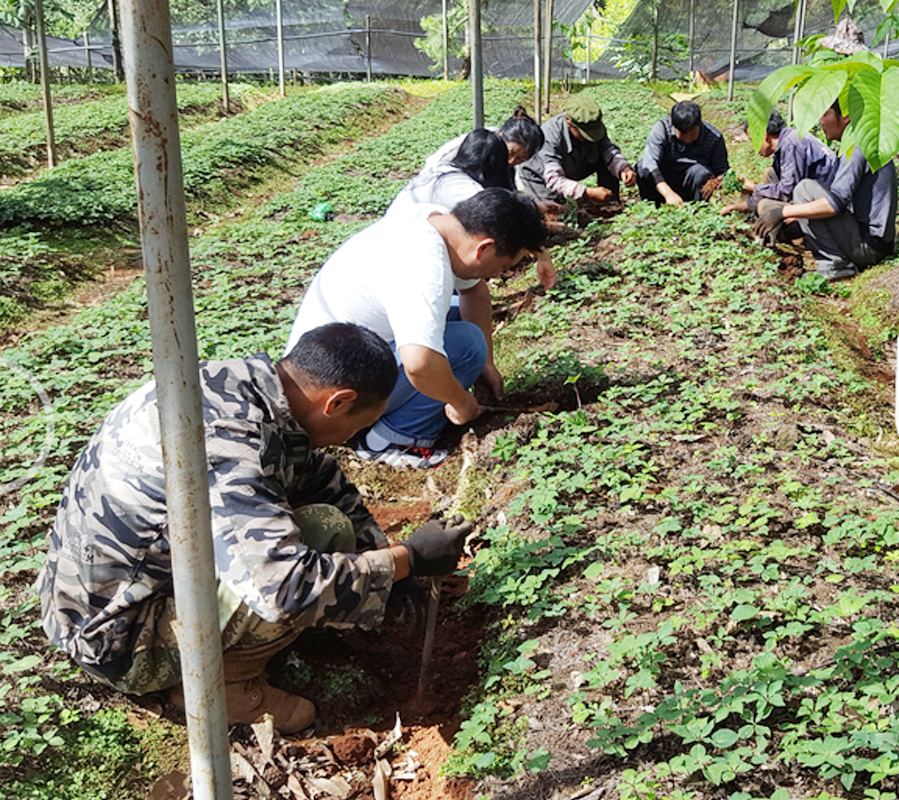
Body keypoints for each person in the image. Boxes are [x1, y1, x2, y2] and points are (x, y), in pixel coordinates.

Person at [36, 323, 473, 734]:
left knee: (323, 517)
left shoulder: (241, 388)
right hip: (118, 640)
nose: (348, 440)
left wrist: (381, 556)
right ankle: (223, 684)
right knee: (322, 531)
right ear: (336, 401)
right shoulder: (228, 447)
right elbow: (284, 591)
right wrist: (404, 561)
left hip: (93, 600)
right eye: (356, 427)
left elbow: (316, 474)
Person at [285, 188, 548, 469]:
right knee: (468, 344)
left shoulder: (435, 222)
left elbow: (476, 292)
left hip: (332, 363)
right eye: (504, 265)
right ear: (483, 248)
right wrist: (460, 402)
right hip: (328, 399)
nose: (499, 274)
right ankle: (393, 439)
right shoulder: (426, 267)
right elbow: (420, 363)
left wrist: (487, 365)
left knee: (460, 317)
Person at [388, 129, 556, 289]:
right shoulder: (465, 189)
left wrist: (535, 205)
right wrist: (543, 256)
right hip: (407, 260)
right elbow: (504, 223)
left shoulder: (444, 172)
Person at [753, 99, 897, 281]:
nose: (820, 122)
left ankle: (835, 265)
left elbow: (836, 204)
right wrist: (795, 214)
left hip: (869, 247)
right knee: (802, 198)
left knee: (804, 190)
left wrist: (782, 212)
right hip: (869, 240)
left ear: (845, 116)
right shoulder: (855, 143)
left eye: (824, 114)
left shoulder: (857, 147)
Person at [516, 94, 637, 205]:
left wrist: (623, 168)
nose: (590, 137)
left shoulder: (594, 125)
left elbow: (608, 151)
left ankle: (610, 202)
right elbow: (554, 179)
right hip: (541, 177)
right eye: (585, 133)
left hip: (574, 167)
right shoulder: (550, 136)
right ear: (569, 123)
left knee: (606, 160)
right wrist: (587, 192)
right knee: (554, 210)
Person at [721, 109, 836, 217]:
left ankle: (799, 236)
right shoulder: (787, 140)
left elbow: (786, 191)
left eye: (753, 140)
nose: (754, 148)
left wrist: (754, 187)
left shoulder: (791, 143)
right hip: (812, 196)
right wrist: (735, 207)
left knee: (765, 207)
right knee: (770, 173)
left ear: (764, 135)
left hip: (825, 205)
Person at [636, 100, 729, 205]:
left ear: (699, 124)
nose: (687, 138)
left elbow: (722, 171)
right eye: (682, 133)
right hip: (664, 179)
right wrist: (668, 193)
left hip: (692, 183)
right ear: (674, 126)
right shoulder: (661, 129)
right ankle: (650, 206)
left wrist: (716, 182)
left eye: (692, 133)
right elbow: (650, 164)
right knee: (642, 167)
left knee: (701, 172)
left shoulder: (714, 138)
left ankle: (696, 209)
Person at [424, 105, 545, 170]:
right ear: (500, 136)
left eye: (521, 159)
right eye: (509, 153)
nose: (511, 161)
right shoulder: (480, 144)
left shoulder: (508, 166)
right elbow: (432, 167)